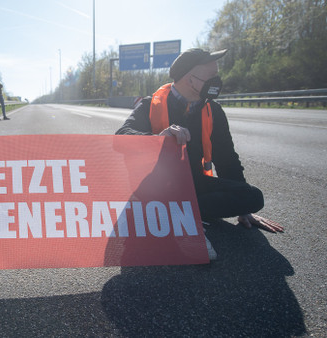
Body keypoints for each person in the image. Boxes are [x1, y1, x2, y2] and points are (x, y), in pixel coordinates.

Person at [115, 48, 282, 258]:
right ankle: (173, 215)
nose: (217, 81)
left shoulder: (214, 110)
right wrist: (157, 140)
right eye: (211, 76)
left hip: (193, 184)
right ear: (189, 78)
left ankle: (176, 215)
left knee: (254, 197)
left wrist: (243, 208)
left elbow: (227, 158)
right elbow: (121, 137)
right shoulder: (150, 104)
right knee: (163, 198)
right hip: (154, 187)